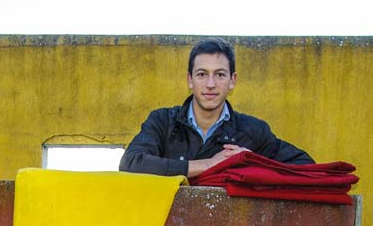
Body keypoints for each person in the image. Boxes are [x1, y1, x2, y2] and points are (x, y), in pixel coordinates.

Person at [119, 37, 314, 178]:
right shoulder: (163, 121)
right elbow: (131, 164)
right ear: (190, 80)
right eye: (202, 74)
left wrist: (251, 162)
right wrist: (210, 164)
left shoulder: (253, 131)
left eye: (220, 75)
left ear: (232, 81)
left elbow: (306, 166)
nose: (210, 84)